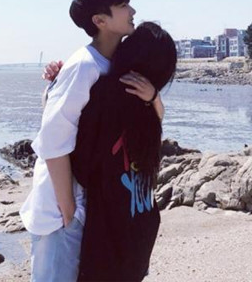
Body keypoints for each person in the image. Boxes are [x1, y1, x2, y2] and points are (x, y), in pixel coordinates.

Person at [20, 0, 164, 282]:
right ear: (100, 20)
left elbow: (152, 120)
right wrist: (68, 209)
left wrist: (153, 96)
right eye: (123, 5)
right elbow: (52, 141)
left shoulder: (115, 63)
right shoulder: (84, 66)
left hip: (92, 202)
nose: (132, 11)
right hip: (62, 206)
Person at [71, 22, 177, 281]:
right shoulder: (148, 106)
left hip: (110, 237)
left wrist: (53, 90)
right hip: (142, 225)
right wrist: (154, 97)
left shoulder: (103, 95)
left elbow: (82, 168)